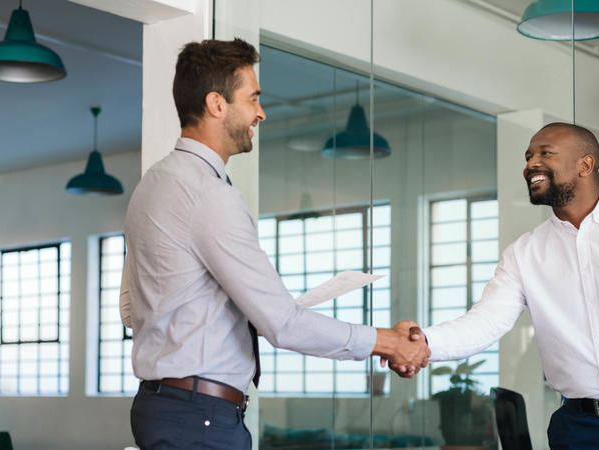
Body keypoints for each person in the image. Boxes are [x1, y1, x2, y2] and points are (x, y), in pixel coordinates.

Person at [118, 38, 429, 450]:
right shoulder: (210, 194)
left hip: (163, 408)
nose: (260, 113)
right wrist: (389, 343)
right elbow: (282, 324)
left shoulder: (151, 186)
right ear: (217, 104)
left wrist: (234, 316)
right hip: (200, 419)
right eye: (253, 99)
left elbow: (131, 309)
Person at [395, 123, 599, 449]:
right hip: (577, 430)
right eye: (528, 156)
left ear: (585, 165)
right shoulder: (524, 253)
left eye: (545, 153)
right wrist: (423, 342)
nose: (531, 164)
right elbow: (485, 322)